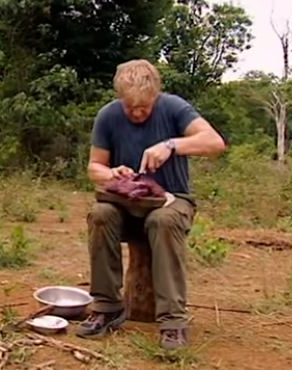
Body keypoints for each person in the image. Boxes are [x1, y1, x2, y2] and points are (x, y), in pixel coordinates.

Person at [76, 59, 227, 350]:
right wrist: (112, 174)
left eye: (143, 106)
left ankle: (172, 321)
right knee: (100, 213)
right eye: (129, 106)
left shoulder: (174, 108)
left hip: (173, 202)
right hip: (124, 205)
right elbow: (94, 167)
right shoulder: (108, 115)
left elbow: (215, 143)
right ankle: (107, 307)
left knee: (163, 220)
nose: (136, 112)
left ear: (155, 95)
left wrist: (171, 145)